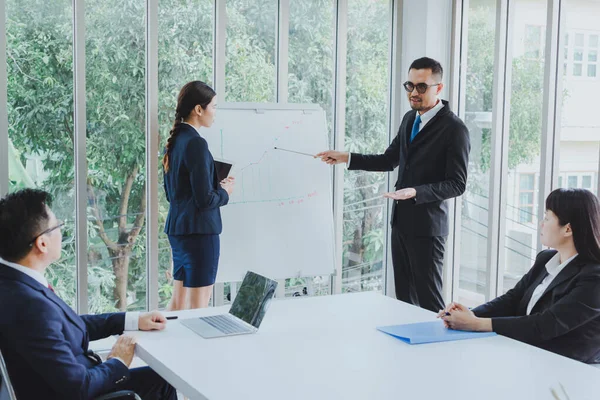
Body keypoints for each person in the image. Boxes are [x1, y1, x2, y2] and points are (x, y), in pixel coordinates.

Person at [316, 57, 470, 312]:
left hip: (428, 230)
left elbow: (457, 184)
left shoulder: (454, 129)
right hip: (401, 224)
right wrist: (347, 157)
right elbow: (389, 160)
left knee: (429, 303)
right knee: (404, 302)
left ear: (438, 88)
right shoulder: (410, 119)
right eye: (409, 85)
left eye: (421, 87)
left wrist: (416, 192)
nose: (414, 92)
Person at [0, 189, 177, 400]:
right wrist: (117, 361)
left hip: (62, 384)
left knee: (158, 378)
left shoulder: (15, 282)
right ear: (42, 243)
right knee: (162, 382)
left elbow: (68, 326)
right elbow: (79, 388)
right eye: (57, 227)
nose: (61, 232)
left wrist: (133, 319)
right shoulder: (29, 306)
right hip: (79, 391)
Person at [439, 188, 600, 364]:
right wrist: (467, 315)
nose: (541, 224)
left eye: (547, 218)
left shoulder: (594, 277)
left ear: (567, 229)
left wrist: (476, 324)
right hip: (527, 353)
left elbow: (545, 325)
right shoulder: (546, 259)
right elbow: (513, 299)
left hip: (567, 368)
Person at [163, 81, 234, 310]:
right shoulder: (196, 143)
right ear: (198, 109)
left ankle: (167, 346)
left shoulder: (175, 142)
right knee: (198, 308)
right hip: (200, 234)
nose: (215, 113)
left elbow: (172, 193)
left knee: (178, 303)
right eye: (213, 107)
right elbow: (205, 200)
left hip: (178, 231)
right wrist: (225, 192)